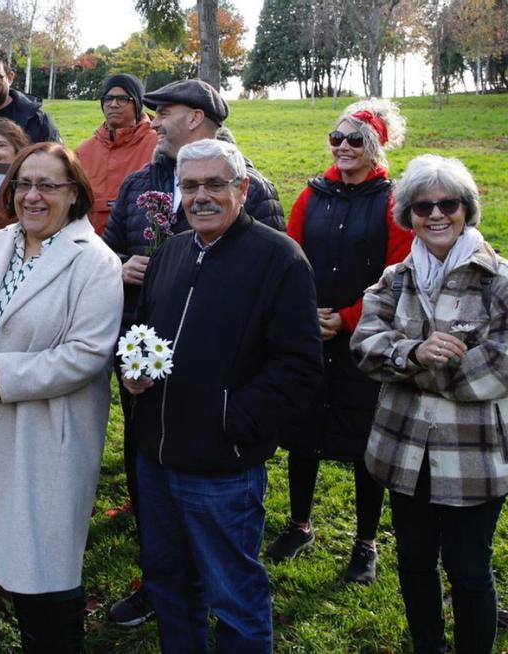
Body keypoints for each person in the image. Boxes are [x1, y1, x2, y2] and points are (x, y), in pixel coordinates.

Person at [122, 138, 321, 653]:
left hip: (221, 469)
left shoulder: (279, 260)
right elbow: (141, 332)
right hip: (157, 460)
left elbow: (299, 369)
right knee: (169, 586)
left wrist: (231, 419)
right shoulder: (169, 253)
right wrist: (131, 371)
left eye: (216, 184)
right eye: (190, 186)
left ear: (243, 188)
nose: (201, 197)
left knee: (234, 596)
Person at [99, 78, 285, 627]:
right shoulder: (138, 184)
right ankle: (160, 584)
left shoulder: (254, 189)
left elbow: (268, 292)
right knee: (148, 483)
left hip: (219, 393)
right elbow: (106, 251)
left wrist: (238, 409)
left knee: (218, 534)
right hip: (144, 377)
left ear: (198, 118)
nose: (152, 120)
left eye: (165, 111)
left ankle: (210, 588)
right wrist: (121, 267)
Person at [0, 142, 123, 652]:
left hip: (48, 432)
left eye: (48, 185)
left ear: (74, 195)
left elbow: (87, 354)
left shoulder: (94, 262)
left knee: (44, 562)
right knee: (9, 548)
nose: (33, 196)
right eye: (24, 183)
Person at [352, 154, 508, 654]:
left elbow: (503, 365)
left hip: (474, 455)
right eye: (423, 205)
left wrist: (421, 372)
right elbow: (365, 344)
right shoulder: (394, 278)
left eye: (449, 204)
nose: (436, 214)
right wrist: (414, 352)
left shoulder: (498, 279)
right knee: (415, 562)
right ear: (408, 214)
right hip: (403, 454)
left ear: (467, 209)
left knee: (468, 568)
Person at [267, 99, 411, 583]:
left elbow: (396, 275)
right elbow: (292, 255)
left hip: (363, 339)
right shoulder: (313, 195)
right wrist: (305, 314)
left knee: (365, 443)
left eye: (355, 140)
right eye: (337, 138)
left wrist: (349, 318)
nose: (343, 147)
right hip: (312, 331)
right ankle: (300, 524)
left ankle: (366, 542)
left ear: (375, 147)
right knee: (303, 433)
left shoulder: (392, 202)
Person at [75, 73, 158, 234]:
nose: (113, 104)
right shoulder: (83, 151)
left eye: (123, 99)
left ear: (137, 104)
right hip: (91, 246)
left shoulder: (158, 145)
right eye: (108, 98)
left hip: (140, 245)